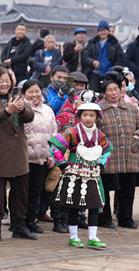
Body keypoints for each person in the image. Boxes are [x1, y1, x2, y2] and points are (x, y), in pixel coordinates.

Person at [0, 66, 37, 241]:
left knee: (21, 191)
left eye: (7, 81)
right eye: (0, 81)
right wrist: (8, 110)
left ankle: (19, 225)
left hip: (18, 152)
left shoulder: (18, 98)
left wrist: (21, 109)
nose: (4, 84)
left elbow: (30, 117)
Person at [48, 103, 113, 249]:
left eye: (91, 115)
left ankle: (92, 237)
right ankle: (73, 237)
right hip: (74, 174)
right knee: (74, 206)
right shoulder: (72, 132)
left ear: (97, 117)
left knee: (95, 205)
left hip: (92, 174)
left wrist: (101, 164)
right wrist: (63, 164)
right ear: (79, 116)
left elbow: (108, 149)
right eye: (85, 115)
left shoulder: (99, 134)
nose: (88, 118)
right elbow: (55, 146)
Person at [97, 72, 139, 229]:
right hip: (107, 155)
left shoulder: (132, 108)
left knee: (128, 190)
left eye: (116, 89)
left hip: (128, 154)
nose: (113, 93)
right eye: (109, 90)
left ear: (120, 91)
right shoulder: (98, 109)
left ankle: (126, 218)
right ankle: (104, 219)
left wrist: (137, 138)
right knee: (104, 188)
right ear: (104, 93)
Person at [22, 80, 57, 234]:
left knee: (36, 190)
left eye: (37, 91)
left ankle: (30, 220)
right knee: (22, 191)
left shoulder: (48, 110)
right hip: (24, 158)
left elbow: (53, 133)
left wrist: (51, 155)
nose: (34, 94)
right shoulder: (21, 109)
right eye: (30, 92)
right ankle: (19, 221)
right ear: (23, 94)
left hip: (41, 158)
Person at [82, 20, 123, 91]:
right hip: (94, 73)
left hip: (110, 73)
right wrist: (92, 62)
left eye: (105, 30)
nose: (103, 32)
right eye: (101, 30)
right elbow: (85, 56)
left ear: (108, 31)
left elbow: (120, 58)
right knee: (94, 93)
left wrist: (114, 69)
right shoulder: (92, 43)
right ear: (98, 32)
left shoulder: (115, 44)